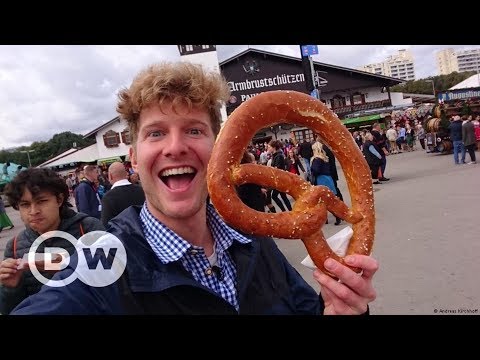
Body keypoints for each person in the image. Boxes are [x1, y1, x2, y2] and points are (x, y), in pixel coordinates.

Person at [11, 61, 378, 315]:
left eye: (194, 130)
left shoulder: (253, 242)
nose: (175, 147)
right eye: (156, 132)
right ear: (135, 158)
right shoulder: (100, 265)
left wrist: (340, 309)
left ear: (220, 151)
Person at [0, 168, 104, 314]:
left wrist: (68, 267)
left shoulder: (88, 228)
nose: (33, 211)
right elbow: (10, 309)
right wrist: (10, 287)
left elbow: (114, 284)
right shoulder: (15, 246)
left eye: (41, 201)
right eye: (25, 204)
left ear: (59, 200)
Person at [101, 161, 145, 226]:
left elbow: (107, 226)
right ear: (126, 174)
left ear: (110, 176)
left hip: (121, 235)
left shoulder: (108, 198)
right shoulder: (141, 190)